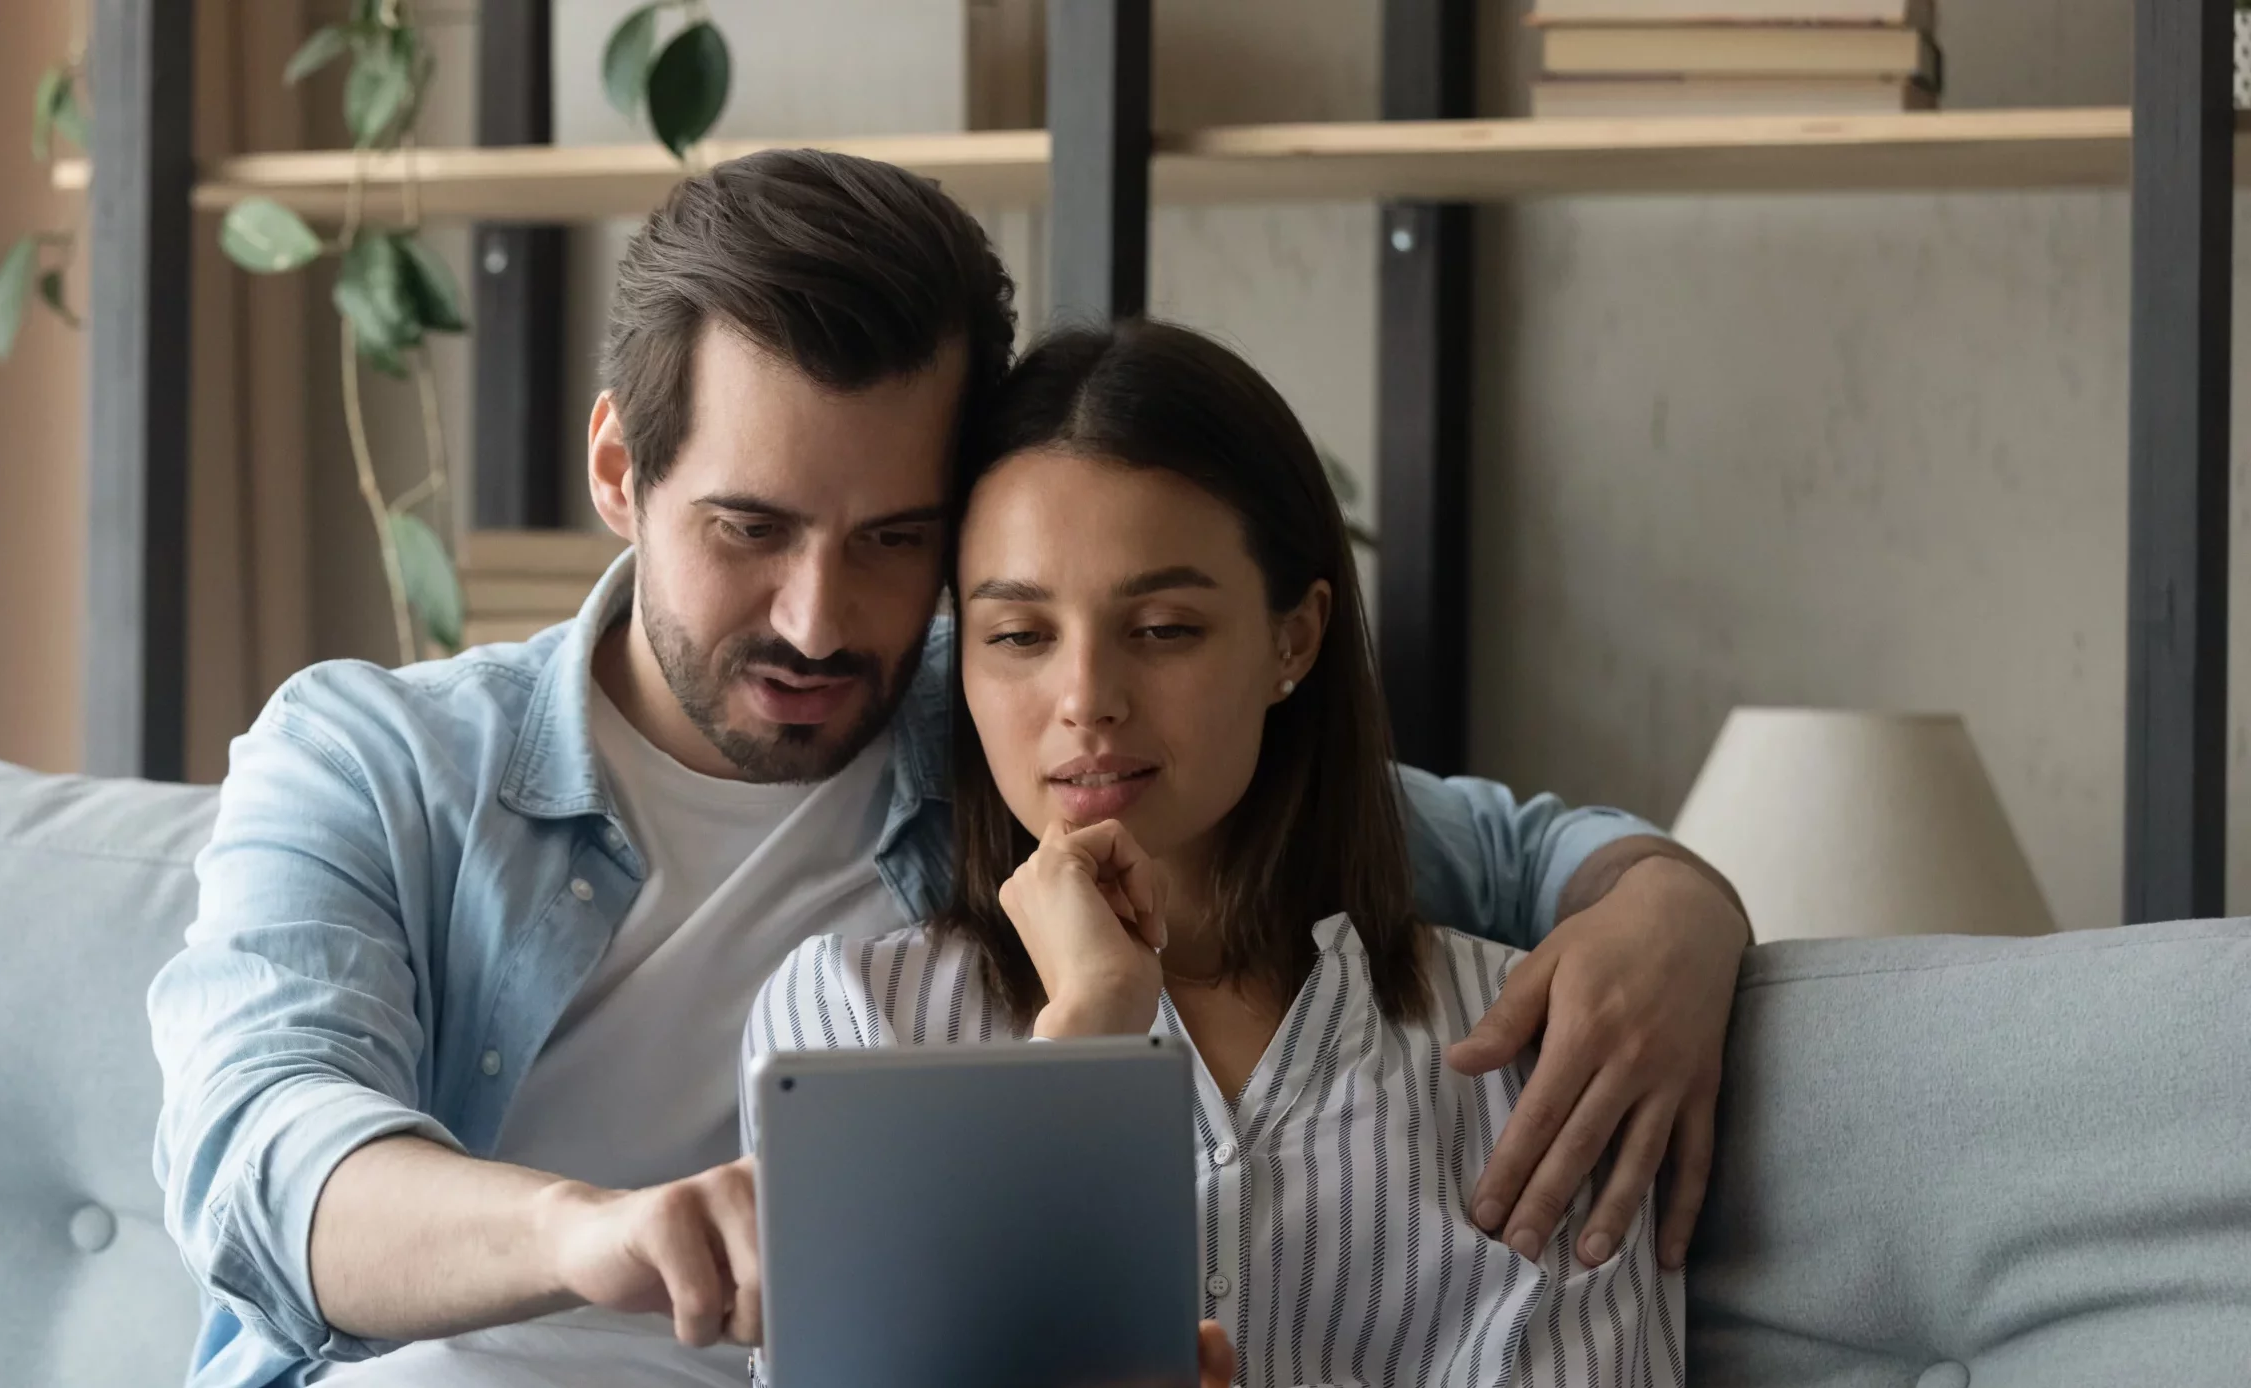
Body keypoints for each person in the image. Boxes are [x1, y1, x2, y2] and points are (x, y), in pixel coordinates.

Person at [146, 150, 1747, 1388]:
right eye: (750, 530)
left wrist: (1676, 912)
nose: (820, 618)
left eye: (896, 541)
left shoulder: (1015, 726)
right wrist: (591, 1231)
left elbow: (1508, 851)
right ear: (621, 472)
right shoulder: (379, 760)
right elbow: (260, 1153)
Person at [745, 317, 1689, 1388]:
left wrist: (1678, 903)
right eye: (1018, 635)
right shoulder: (847, 1031)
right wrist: (1088, 1028)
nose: (1087, 698)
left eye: (1160, 628)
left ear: (1292, 638)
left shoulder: (1538, 1049)